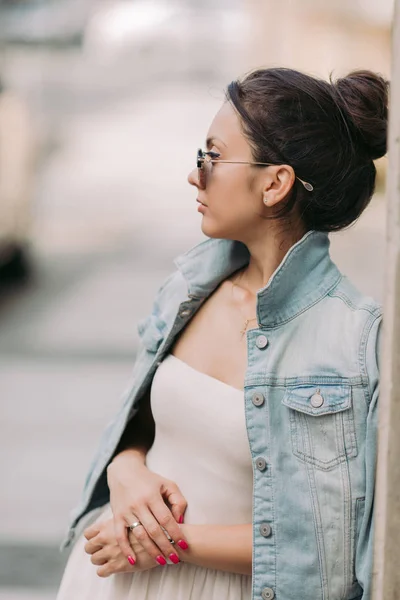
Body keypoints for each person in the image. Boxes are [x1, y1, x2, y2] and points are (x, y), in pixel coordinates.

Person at [56, 67, 387, 600]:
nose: (196, 175)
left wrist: (168, 543)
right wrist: (127, 469)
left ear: (275, 183)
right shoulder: (192, 284)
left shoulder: (350, 339)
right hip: (114, 580)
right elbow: (145, 424)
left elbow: (330, 549)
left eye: (211, 157)